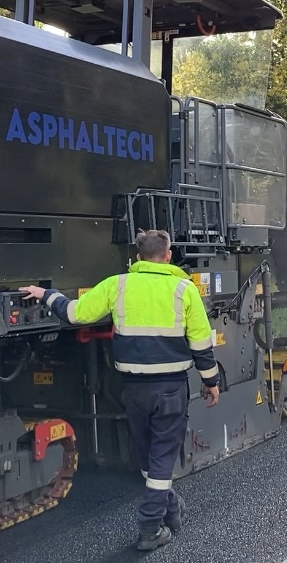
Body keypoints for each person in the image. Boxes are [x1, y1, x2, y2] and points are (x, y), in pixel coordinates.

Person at [19, 229, 220, 552]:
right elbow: (201, 342)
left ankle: (170, 509)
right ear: (168, 255)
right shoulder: (184, 289)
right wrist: (211, 382)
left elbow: (75, 313)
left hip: (134, 390)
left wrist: (45, 294)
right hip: (170, 390)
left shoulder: (118, 284)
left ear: (138, 258)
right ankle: (150, 528)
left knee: (148, 455)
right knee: (161, 458)